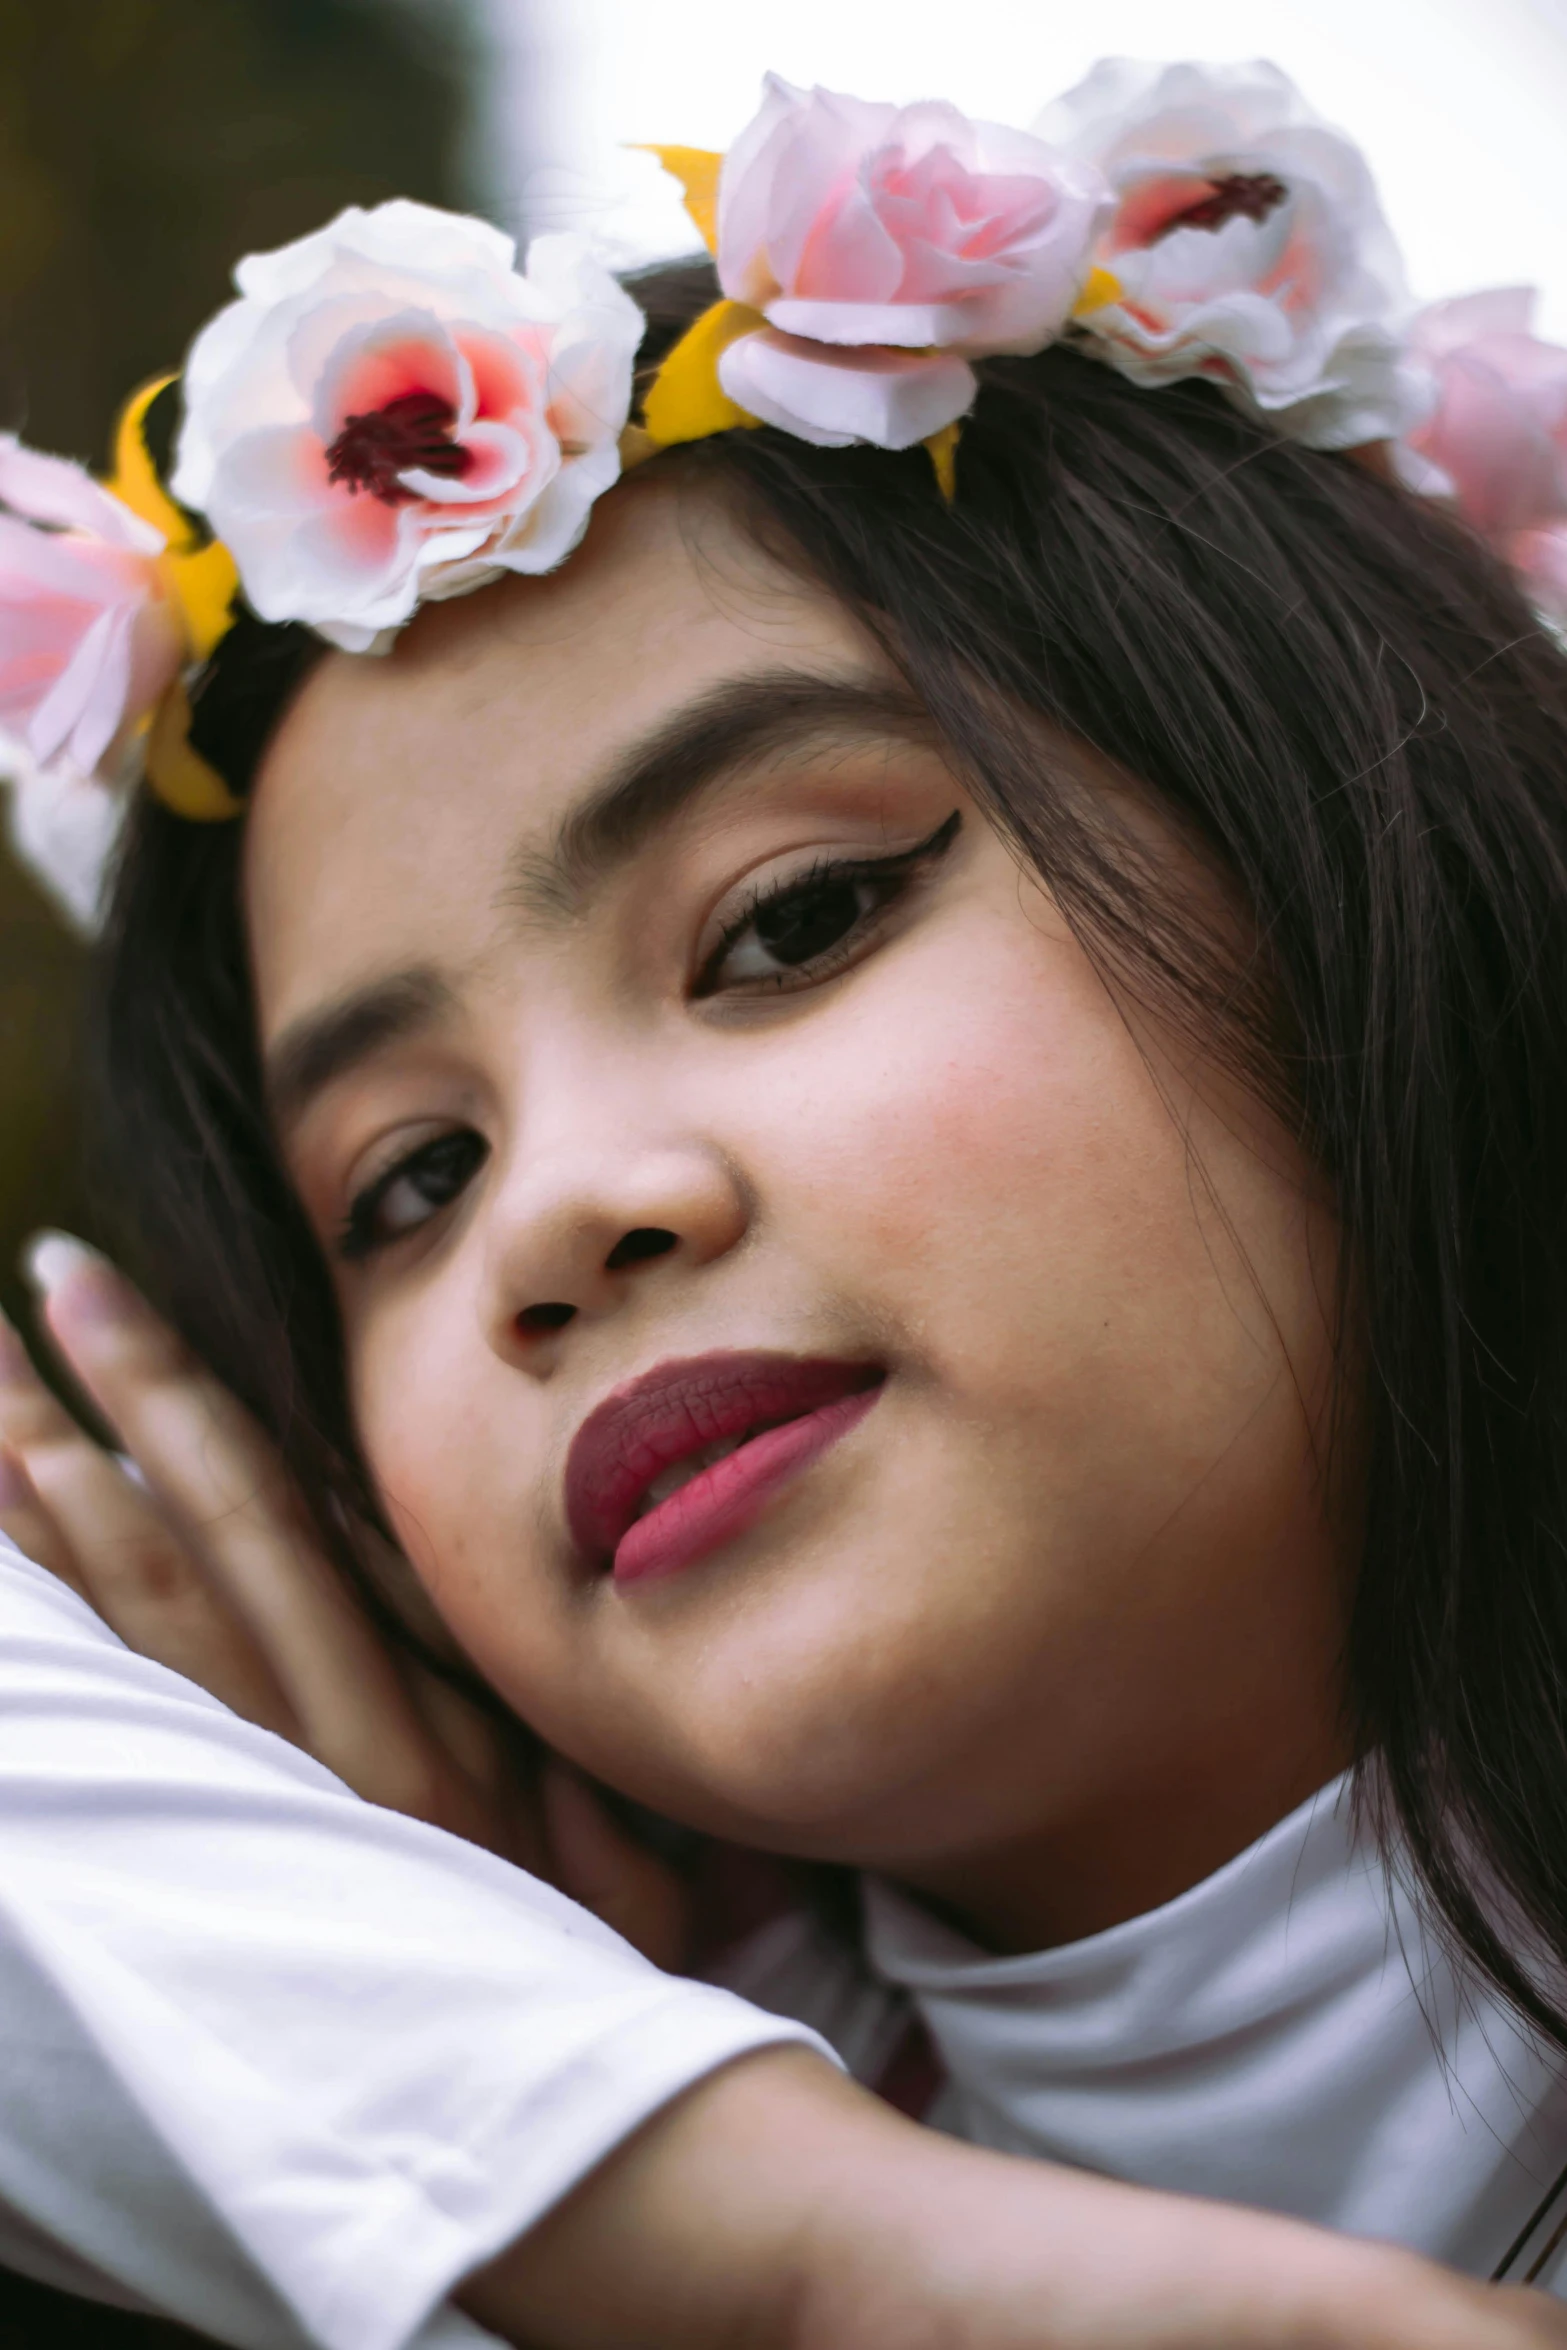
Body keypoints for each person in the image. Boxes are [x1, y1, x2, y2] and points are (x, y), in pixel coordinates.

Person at [2, 53, 1567, 2350]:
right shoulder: (486, 2225)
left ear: (1359, 865)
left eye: (795, 918)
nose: (555, 1218)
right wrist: (808, 2247)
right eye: (409, 1177)